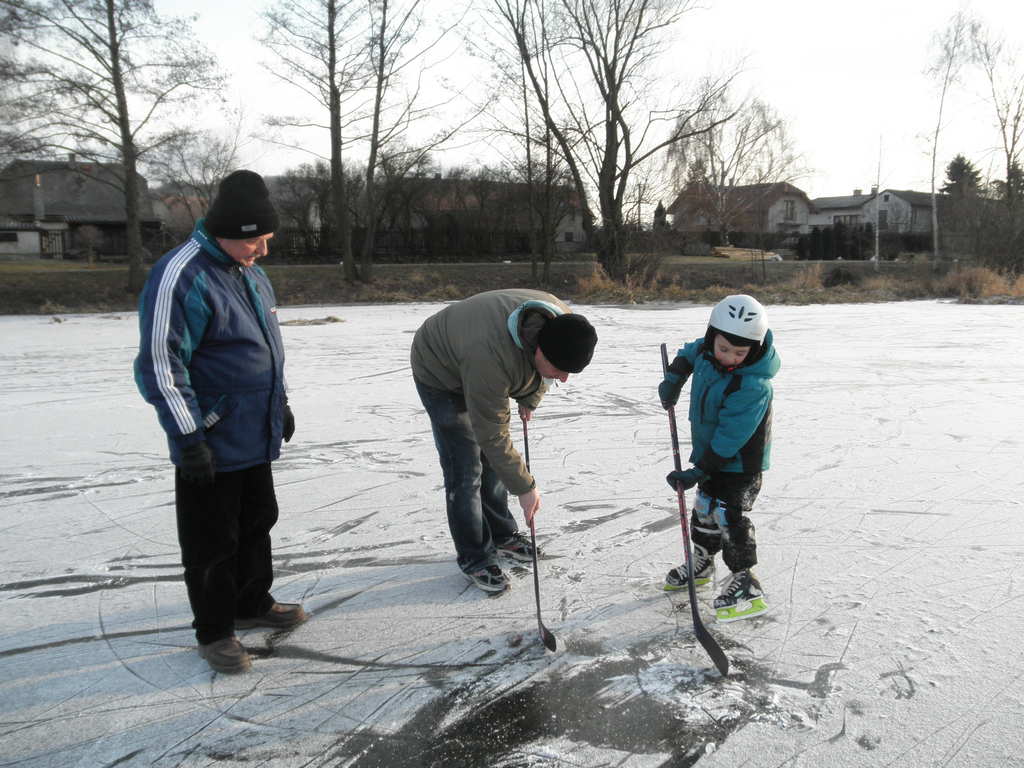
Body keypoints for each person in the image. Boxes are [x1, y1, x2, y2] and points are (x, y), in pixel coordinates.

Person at [134, 170, 306, 673]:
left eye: (267, 240)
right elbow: (160, 363)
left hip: (255, 428)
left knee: (257, 523)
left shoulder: (247, 270)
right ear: (228, 231)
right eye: (256, 240)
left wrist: (281, 404)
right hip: (209, 436)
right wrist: (188, 437)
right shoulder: (181, 274)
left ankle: (252, 601)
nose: (263, 251)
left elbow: (265, 350)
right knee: (212, 541)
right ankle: (214, 630)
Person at [411, 289, 598, 593]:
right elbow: (492, 434)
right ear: (539, 350)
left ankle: (501, 535)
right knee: (466, 469)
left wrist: (531, 396)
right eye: (560, 371)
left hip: (479, 358)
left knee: (495, 463)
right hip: (440, 371)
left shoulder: (563, 323)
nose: (563, 379)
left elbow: (545, 374)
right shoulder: (489, 356)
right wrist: (525, 487)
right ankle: (475, 557)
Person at [658, 294, 780, 622]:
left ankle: (745, 580)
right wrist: (674, 379)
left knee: (728, 515)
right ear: (713, 335)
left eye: (740, 353)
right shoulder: (707, 350)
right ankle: (702, 561)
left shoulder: (753, 385)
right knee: (704, 511)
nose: (729, 358)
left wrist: (698, 472)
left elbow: (730, 439)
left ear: (753, 350)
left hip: (738, 463)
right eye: (723, 348)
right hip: (708, 452)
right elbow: (688, 353)